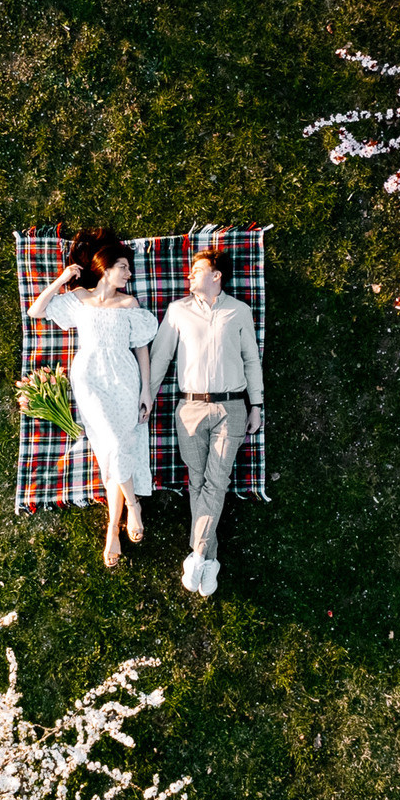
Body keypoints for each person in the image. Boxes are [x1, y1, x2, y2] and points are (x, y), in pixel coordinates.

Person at [26, 228, 157, 569]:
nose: (129, 274)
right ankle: (134, 505)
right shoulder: (80, 296)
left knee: (116, 451)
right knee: (112, 443)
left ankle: (113, 529)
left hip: (125, 377)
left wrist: (146, 390)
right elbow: (36, 311)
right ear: (106, 267)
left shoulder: (130, 303)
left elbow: (142, 348)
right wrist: (63, 278)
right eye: (124, 267)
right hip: (89, 377)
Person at [147, 243, 261, 597]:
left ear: (216, 276)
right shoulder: (178, 310)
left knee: (217, 480)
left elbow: (251, 360)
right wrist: (146, 397)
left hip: (232, 409)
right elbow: (160, 357)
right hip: (190, 409)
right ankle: (210, 560)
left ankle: (196, 555)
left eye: (196, 270)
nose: (190, 275)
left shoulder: (239, 311)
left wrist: (256, 404)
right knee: (198, 483)